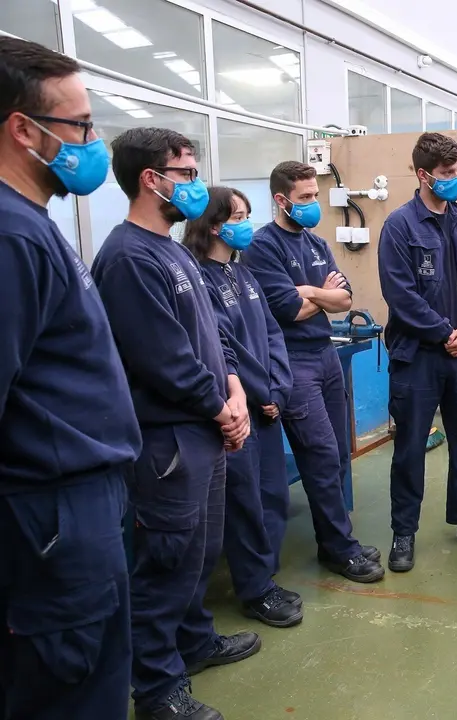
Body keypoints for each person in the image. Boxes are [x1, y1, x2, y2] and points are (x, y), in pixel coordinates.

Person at [92, 128, 258, 720]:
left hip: (207, 427)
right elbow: (163, 360)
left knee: (200, 551)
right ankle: (159, 690)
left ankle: (195, 642)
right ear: (151, 179)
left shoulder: (173, 248)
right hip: (169, 439)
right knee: (166, 562)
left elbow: (211, 338)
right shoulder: (128, 257)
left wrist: (233, 389)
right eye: (186, 174)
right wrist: (222, 409)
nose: (195, 185)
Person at [0, 37, 142, 720]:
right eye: (81, 125)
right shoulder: (10, 237)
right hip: (49, 518)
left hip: (79, 504)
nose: (92, 141)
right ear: (24, 131)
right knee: (73, 693)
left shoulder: (32, 223)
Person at [244, 161, 384, 584]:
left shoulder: (318, 244)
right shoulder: (262, 248)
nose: (311, 205)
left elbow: (344, 300)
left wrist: (310, 291)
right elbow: (290, 309)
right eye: (303, 198)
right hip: (293, 362)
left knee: (340, 452)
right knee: (320, 455)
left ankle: (332, 541)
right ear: (280, 200)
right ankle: (341, 550)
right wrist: (318, 295)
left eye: (313, 197)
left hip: (325, 354)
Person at [378, 132, 457, 572]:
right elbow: (401, 294)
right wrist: (444, 333)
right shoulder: (400, 226)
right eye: (446, 174)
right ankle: (404, 532)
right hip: (419, 357)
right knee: (411, 447)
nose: (454, 180)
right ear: (423, 175)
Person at [183, 187, 302, 628]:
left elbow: (273, 334)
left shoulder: (243, 274)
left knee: (273, 494)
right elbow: (222, 348)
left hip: (268, 404)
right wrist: (259, 393)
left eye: (249, 214)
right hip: (240, 410)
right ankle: (253, 588)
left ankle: (264, 575)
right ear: (214, 224)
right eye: (237, 216)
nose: (246, 224)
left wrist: (279, 387)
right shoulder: (200, 278)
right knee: (244, 501)